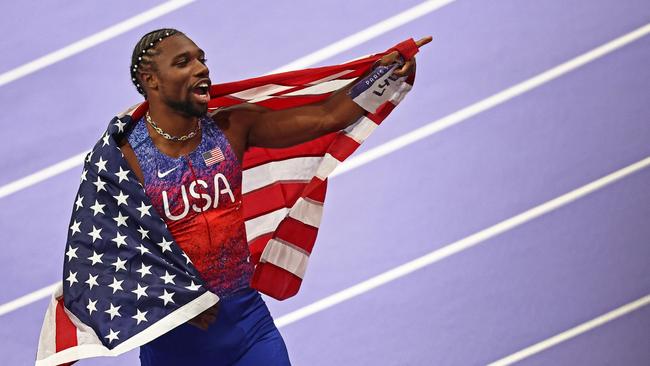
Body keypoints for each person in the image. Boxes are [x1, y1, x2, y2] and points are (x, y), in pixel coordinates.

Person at [113, 28, 430, 365]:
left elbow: (328, 116)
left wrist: (383, 75)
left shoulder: (231, 128)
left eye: (201, 59)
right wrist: (170, 297)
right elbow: (106, 255)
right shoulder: (123, 159)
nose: (201, 68)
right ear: (152, 80)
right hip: (174, 352)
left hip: (250, 332)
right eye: (183, 62)